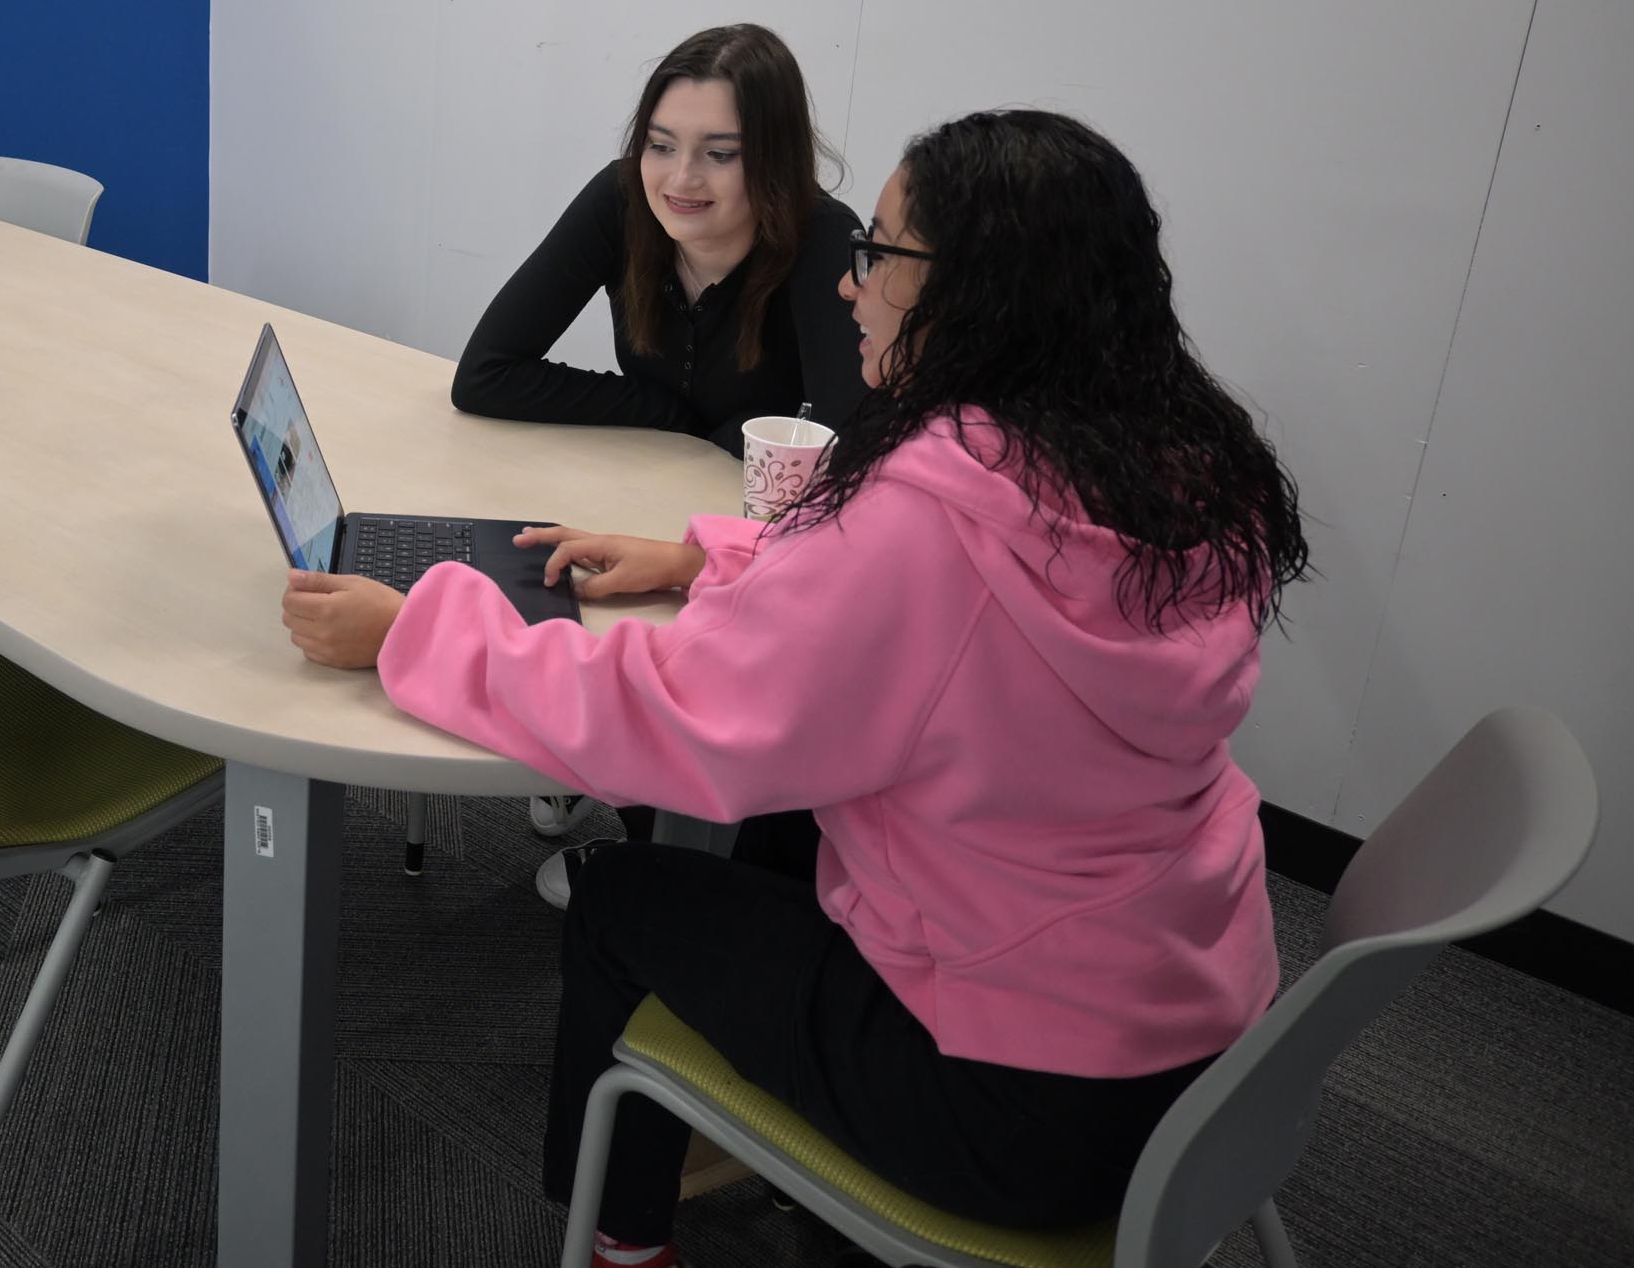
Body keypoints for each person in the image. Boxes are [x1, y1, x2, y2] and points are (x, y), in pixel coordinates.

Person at [281, 109, 1309, 1267]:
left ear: (975, 291)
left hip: (1017, 1108)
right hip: (1201, 1050)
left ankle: (616, 1236)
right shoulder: (1167, 462)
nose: (849, 285)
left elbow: (675, 719)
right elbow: (919, 629)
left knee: (620, 897)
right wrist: (702, 557)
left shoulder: (928, 518)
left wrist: (417, 630)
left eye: (879, 252)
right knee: (783, 829)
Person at [450, 23, 866, 892]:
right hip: (639, 504)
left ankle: (650, 854)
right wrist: (669, 415)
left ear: (775, 160)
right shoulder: (622, 201)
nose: (682, 178)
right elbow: (486, 372)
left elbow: (846, 441)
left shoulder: (824, 240)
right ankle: (592, 763)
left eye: (721, 153)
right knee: (541, 577)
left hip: (759, 546)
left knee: (676, 671)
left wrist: (702, 434)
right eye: (662, 144)